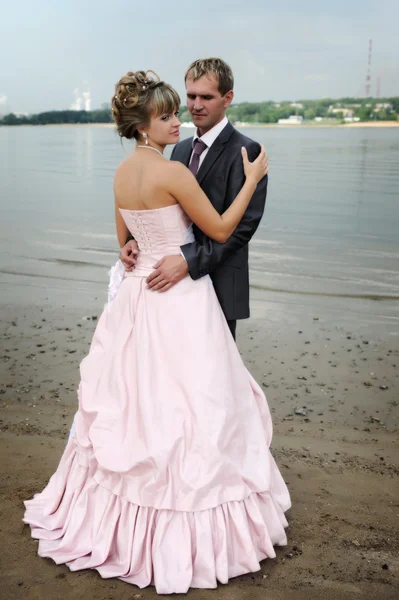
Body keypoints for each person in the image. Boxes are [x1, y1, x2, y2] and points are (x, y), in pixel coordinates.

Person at [23, 70, 290, 595]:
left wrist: (129, 249)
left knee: (140, 401)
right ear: (145, 125)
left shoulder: (123, 172)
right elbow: (218, 229)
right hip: (181, 303)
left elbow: (123, 239)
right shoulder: (173, 174)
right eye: (168, 114)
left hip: (138, 298)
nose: (179, 120)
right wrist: (253, 180)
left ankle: (122, 510)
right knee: (194, 404)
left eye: (180, 111)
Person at [120, 58, 267, 340]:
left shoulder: (247, 150)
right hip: (168, 284)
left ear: (228, 98)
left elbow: (242, 229)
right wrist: (132, 240)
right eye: (191, 95)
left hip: (220, 281)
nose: (196, 105)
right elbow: (160, 206)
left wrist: (188, 261)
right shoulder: (179, 148)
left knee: (213, 374)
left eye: (206, 97)